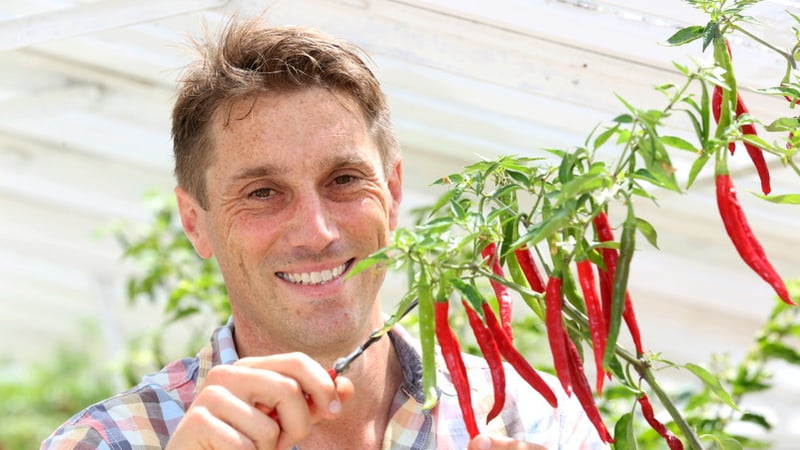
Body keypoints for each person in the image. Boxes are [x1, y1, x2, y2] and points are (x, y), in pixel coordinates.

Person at [42, 15, 609, 450]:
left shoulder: (538, 419)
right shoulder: (108, 440)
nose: (316, 232)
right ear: (196, 222)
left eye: (343, 179)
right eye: (262, 192)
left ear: (393, 193)